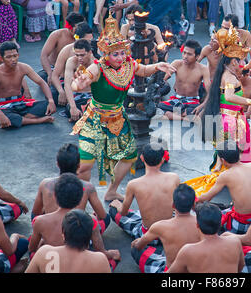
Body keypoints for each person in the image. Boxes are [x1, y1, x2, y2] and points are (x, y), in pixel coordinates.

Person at [70, 13, 175, 200]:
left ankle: (111, 191)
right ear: (105, 54)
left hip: (118, 118)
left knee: (128, 157)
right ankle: (78, 198)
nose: (120, 57)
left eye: (122, 52)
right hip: (95, 118)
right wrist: (78, 83)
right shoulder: (98, 67)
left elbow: (142, 70)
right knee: (85, 163)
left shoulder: (128, 63)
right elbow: (79, 84)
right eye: (115, 54)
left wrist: (158, 66)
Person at [28, 173, 121, 271]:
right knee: (108, 261)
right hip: (86, 260)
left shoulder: (40, 224)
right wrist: (109, 254)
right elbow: (101, 251)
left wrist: (41, 246)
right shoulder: (91, 220)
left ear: (63, 234)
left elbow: (31, 249)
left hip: (51, 260)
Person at [200, 26, 251, 164]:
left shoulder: (227, 72)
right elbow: (229, 97)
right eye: (241, 61)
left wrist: (247, 67)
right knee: (234, 156)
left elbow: (238, 72)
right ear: (234, 62)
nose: (243, 63)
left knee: (228, 156)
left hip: (230, 118)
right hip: (230, 122)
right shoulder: (230, 78)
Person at [31, 143, 110, 234]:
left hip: (50, 233)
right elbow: (102, 216)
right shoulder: (88, 187)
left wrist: (47, 212)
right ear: (79, 165)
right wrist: (93, 217)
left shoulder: (45, 184)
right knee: (106, 218)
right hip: (76, 236)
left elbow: (36, 213)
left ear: (57, 164)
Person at [108, 143, 179, 240]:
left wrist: (117, 205)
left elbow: (123, 212)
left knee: (114, 210)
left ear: (141, 158)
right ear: (162, 160)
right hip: (170, 232)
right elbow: (178, 205)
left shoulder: (133, 184)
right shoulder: (174, 178)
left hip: (149, 236)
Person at [131, 184, 201, 273]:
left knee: (135, 250)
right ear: (193, 205)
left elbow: (139, 246)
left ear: (173, 205)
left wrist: (136, 243)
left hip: (170, 272)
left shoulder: (160, 226)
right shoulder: (201, 223)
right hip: (194, 269)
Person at [0, 41, 56, 129]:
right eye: (8, 57)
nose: (13, 59)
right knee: (5, 117)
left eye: (15, 56)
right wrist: (0, 115)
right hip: (4, 106)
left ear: (18, 55)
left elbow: (41, 82)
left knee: (46, 105)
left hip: (21, 102)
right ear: (1, 58)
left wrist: (50, 101)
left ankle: (23, 120)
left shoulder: (24, 67)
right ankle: (38, 120)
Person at [197, 140, 251, 234]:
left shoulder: (226, 175)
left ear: (223, 160)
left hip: (240, 224)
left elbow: (207, 197)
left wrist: (193, 199)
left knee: (206, 212)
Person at [167, 202, 245, 273]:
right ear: (220, 224)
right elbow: (241, 266)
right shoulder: (235, 242)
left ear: (197, 225)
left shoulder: (188, 250)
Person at [25, 209, 113, 273]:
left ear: (63, 233)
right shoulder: (100, 260)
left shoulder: (44, 252)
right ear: (90, 236)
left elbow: (31, 248)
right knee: (112, 261)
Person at [159, 39, 211, 121]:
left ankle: (178, 115)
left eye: (189, 54)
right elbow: (162, 80)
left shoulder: (203, 69)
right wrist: (165, 74)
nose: (185, 56)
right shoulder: (177, 63)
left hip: (192, 101)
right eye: (184, 53)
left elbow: (210, 92)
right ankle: (184, 118)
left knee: (200, 112)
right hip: (176, 100)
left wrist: (202, 105)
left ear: (197, 56)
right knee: (159, 107)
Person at [51, 22, 93, 107]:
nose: (89, 44)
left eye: (90, 41)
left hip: (86, 87)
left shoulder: (93, 50)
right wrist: (61, 92)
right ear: (78, 39)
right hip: (68, 82)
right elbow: (55, 75)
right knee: (54, 95)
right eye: (86, 41)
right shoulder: (67, 50)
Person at [39, 12, 85, 86]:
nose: (77, 32)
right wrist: (50, 73)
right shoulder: (57, 34)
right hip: (54, 68)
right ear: (70, 28)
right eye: (76, 29)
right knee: (43, 77)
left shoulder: (84, 36)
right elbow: (44, 56)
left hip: (73, 69)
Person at [62, 39, 96, 122]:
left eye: (82, 55)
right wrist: (73, 107)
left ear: (90, 52)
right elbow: (67, 85)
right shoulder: (72, 61)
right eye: (77, 55)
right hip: (77, 97)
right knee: (71, 109)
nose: (79, 58)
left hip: (93, 97)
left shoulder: (96, 64)